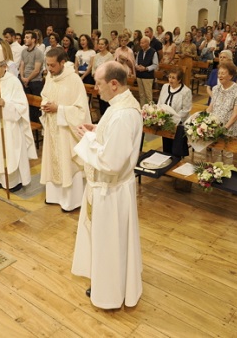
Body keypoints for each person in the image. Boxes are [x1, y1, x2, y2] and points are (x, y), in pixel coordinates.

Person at [72, 61, 143, 310]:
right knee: (105, 242)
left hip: (110, 191)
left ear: (114, 84)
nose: (95, 88)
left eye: (99, 83)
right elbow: (111, 140)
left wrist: (85, 142)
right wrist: (95, 131)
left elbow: (111, 162)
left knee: (110, 243)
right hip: (105, 189)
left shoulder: (124, 115)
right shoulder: (119, 106)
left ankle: (110, 294)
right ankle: (105, 283)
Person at [40, 47, 91, 212]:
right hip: (52, 127)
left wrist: (59, 109)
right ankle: (54, 196)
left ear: (63, 62)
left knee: (67, 162)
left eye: (53, 65)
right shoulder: (50, 76)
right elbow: (45, 94)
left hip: (67, 132)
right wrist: (45, 104)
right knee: (53, 160)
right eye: (47, 65)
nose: (49, 69)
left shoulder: (74, 80)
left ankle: (70, 201)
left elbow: (81, 110)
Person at [0, 59, 37, 192]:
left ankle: (14, 182)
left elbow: (22, 106)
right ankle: (1, 179)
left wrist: (6, 104)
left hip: (9, 125)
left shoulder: (13, 81)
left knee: (11, 151)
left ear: (4, 66)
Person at [207, 60, 237, 163]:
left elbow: (235, 113)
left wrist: (224, 129)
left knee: (227, 153)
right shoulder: (215, 88)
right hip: (215, 126)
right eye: (219, 73)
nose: (220, 75)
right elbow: (211, 106)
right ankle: (216, 173)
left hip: (229, 127)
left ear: (231, 75)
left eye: (223, 73)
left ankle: (227, 174)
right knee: (215, 150)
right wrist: (203, 119)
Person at [157, 68, 192, 156]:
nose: (170, 80)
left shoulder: (186, 91)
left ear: (179, 80)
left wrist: (174, 119)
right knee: (166, 146)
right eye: (169, 77)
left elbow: (186, 110)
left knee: (176, 149)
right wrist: (159, 114)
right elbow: (160, 102)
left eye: (173, 78)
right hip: (165, 122)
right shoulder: (165, 87)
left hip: (178, 123)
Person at [19, 30, 44, 122]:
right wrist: (22, 77)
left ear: (33, 40)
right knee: (27, 104)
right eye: (25, 37)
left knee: (36, 106)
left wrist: (28, 79)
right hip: (25, 80)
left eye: (27, 37)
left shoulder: (38, 52)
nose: (24, 39)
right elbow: (22, 65)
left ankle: (37, 124)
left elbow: (37, 70)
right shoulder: (24, 52)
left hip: (35, 81)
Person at [135, 36, 159, 106]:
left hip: (148, 76)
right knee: (141, 95)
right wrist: (137, 66)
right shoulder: (140, 51)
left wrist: (146, 68)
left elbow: (155, 64)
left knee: (148, 95)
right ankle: (143, 109)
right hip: (139, 75)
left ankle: (150, 111)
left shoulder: (153, 52)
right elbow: (136, 61)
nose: (141, 45)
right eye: (140, 43)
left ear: (148, 43)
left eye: (143, 43)